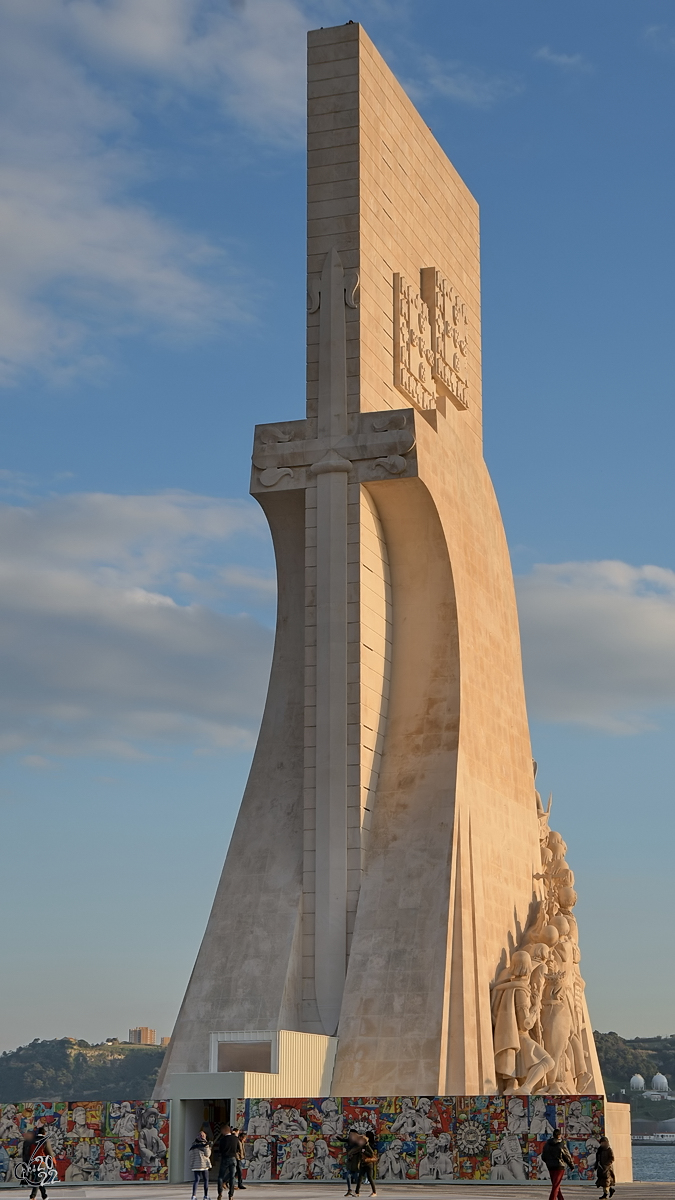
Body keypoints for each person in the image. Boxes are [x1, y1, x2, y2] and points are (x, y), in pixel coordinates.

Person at [22, 1125, 57, 1200]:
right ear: (44, 1133)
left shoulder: (31, 1141)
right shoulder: (44, 1140)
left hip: (32, 1163)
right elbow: (50, 1153)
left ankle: (44, 1196)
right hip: (41, 1163)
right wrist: (54, 1163)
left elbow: (26, 1152)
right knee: (38, 1180)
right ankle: (32, 1196)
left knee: (39, 1179)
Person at [541, 1129, 573, 1200]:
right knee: (556, 1185)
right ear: (559, 1135)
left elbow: (543, 1156)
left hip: (550, 1167)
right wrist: (571, 1165)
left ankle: (561, 1198)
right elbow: (567, 1156)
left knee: (555, 1184)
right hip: (559, 1167)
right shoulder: (561, 1144)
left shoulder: (547, 1144)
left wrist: (548, 1162)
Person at [214, 1124, 238, 1200]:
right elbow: (238, 1148)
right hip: (233, 1158)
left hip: (224, 1158)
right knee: (232, 1176)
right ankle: (231, 1195)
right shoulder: (235, 1139)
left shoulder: (222, 1140)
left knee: (221, 1176)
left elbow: (220, 1150)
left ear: (224, 1131)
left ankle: (220, 1193)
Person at [343, 1129, 367, 1196]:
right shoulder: (350, 1142)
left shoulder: (359, 1144)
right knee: (348, 1176)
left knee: (357, 1178)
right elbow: (344, 1140)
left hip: (357, 1163)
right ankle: (350, 1190)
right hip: (351, 1164)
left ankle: (357, 1191)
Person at [188, 1130, 212, 1200]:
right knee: (206, 1180)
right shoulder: (205, 1144)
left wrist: (192, 1164)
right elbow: (208, 1154)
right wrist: (207, 1147)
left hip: (196, 1166)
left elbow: (191, 1155)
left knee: (196, 1180)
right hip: (204, 1165)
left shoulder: (193, 1145)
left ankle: (194, 1196)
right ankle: (206, 1196)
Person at [355, 1131, 377, 1197]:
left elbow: (371, 1154)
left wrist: (364, 1152)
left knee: (370, 1178)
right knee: (360, 1178)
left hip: (368, 1164)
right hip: (363, 1164)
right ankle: (357, 1192)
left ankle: (374, 1192)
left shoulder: (368, 1146)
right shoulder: (362, 1147)